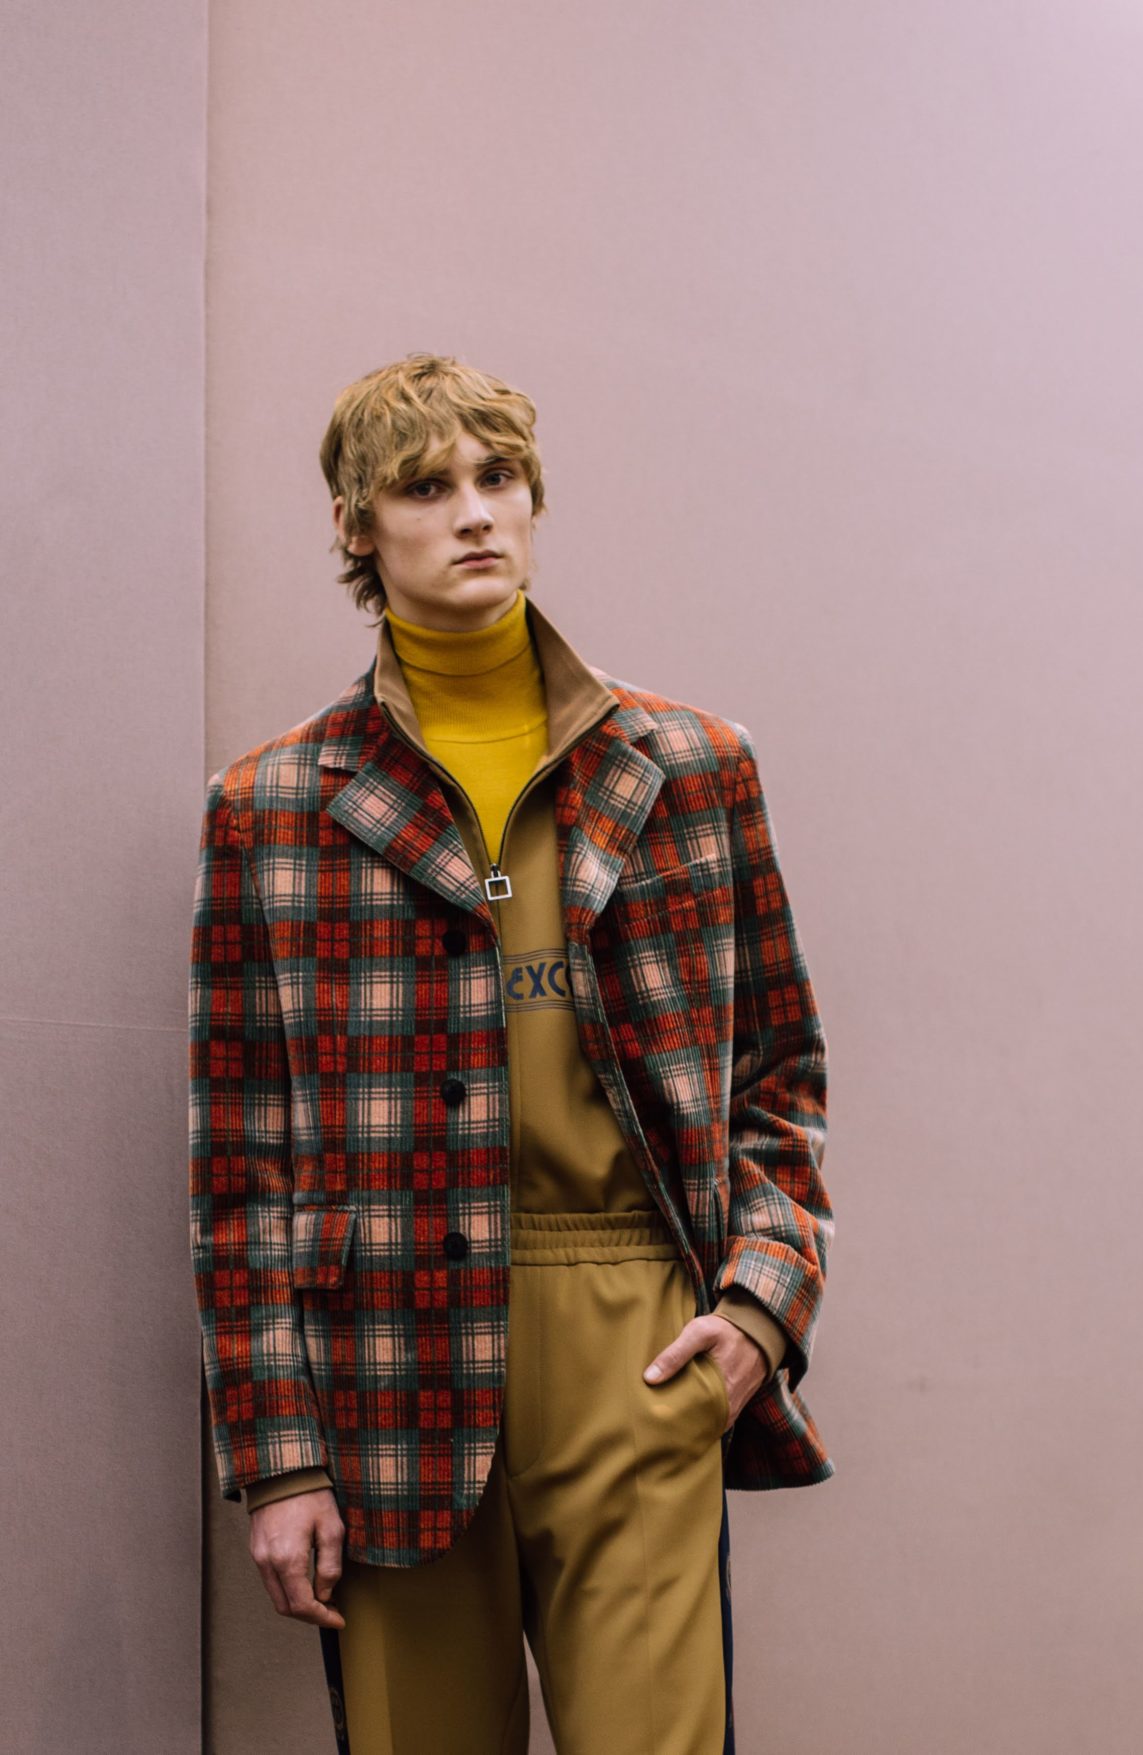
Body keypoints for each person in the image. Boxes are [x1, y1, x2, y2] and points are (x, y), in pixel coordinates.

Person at [188, 352, 834, 1754]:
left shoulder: (687, 766)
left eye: (499, 478)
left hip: (632, 1331)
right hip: (385, 1357)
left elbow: (778, 1079)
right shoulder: (273, 806)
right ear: (359, 526)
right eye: (427, 487)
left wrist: (761, 1306)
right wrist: (279, 1457)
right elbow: (240, 1169)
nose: (475, 513)